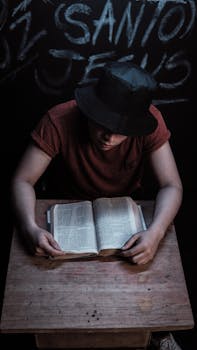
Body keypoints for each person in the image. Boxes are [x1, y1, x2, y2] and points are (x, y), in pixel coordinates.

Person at [10, 61, 183, 349]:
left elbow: (171, 185)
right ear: (90, 109)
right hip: (68, 217)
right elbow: (21, 180)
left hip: (123, 218)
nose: (110, 136)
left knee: (150, 284)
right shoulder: (59, 119)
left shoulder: (150, 119)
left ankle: (158, 334)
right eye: (103, 123)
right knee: (53, 297)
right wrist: (30, 227)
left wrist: (156, 232)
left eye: (121, 129)